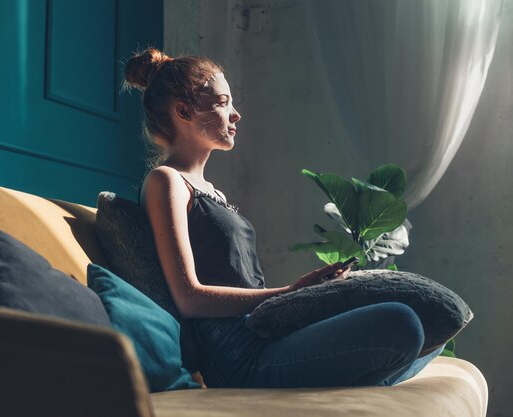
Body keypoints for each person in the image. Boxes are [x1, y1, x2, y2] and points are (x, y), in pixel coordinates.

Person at [123, 47, 442, 388]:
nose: (236, 114)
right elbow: (188, 297)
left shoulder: (214, 192)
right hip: (239, 356)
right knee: (402, 323)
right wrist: (291, 291)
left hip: (267, 330)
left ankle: (362, 380)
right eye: (222, 102)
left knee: (431, 321)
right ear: (184, 110)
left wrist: (304, 298)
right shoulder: (166, 181)